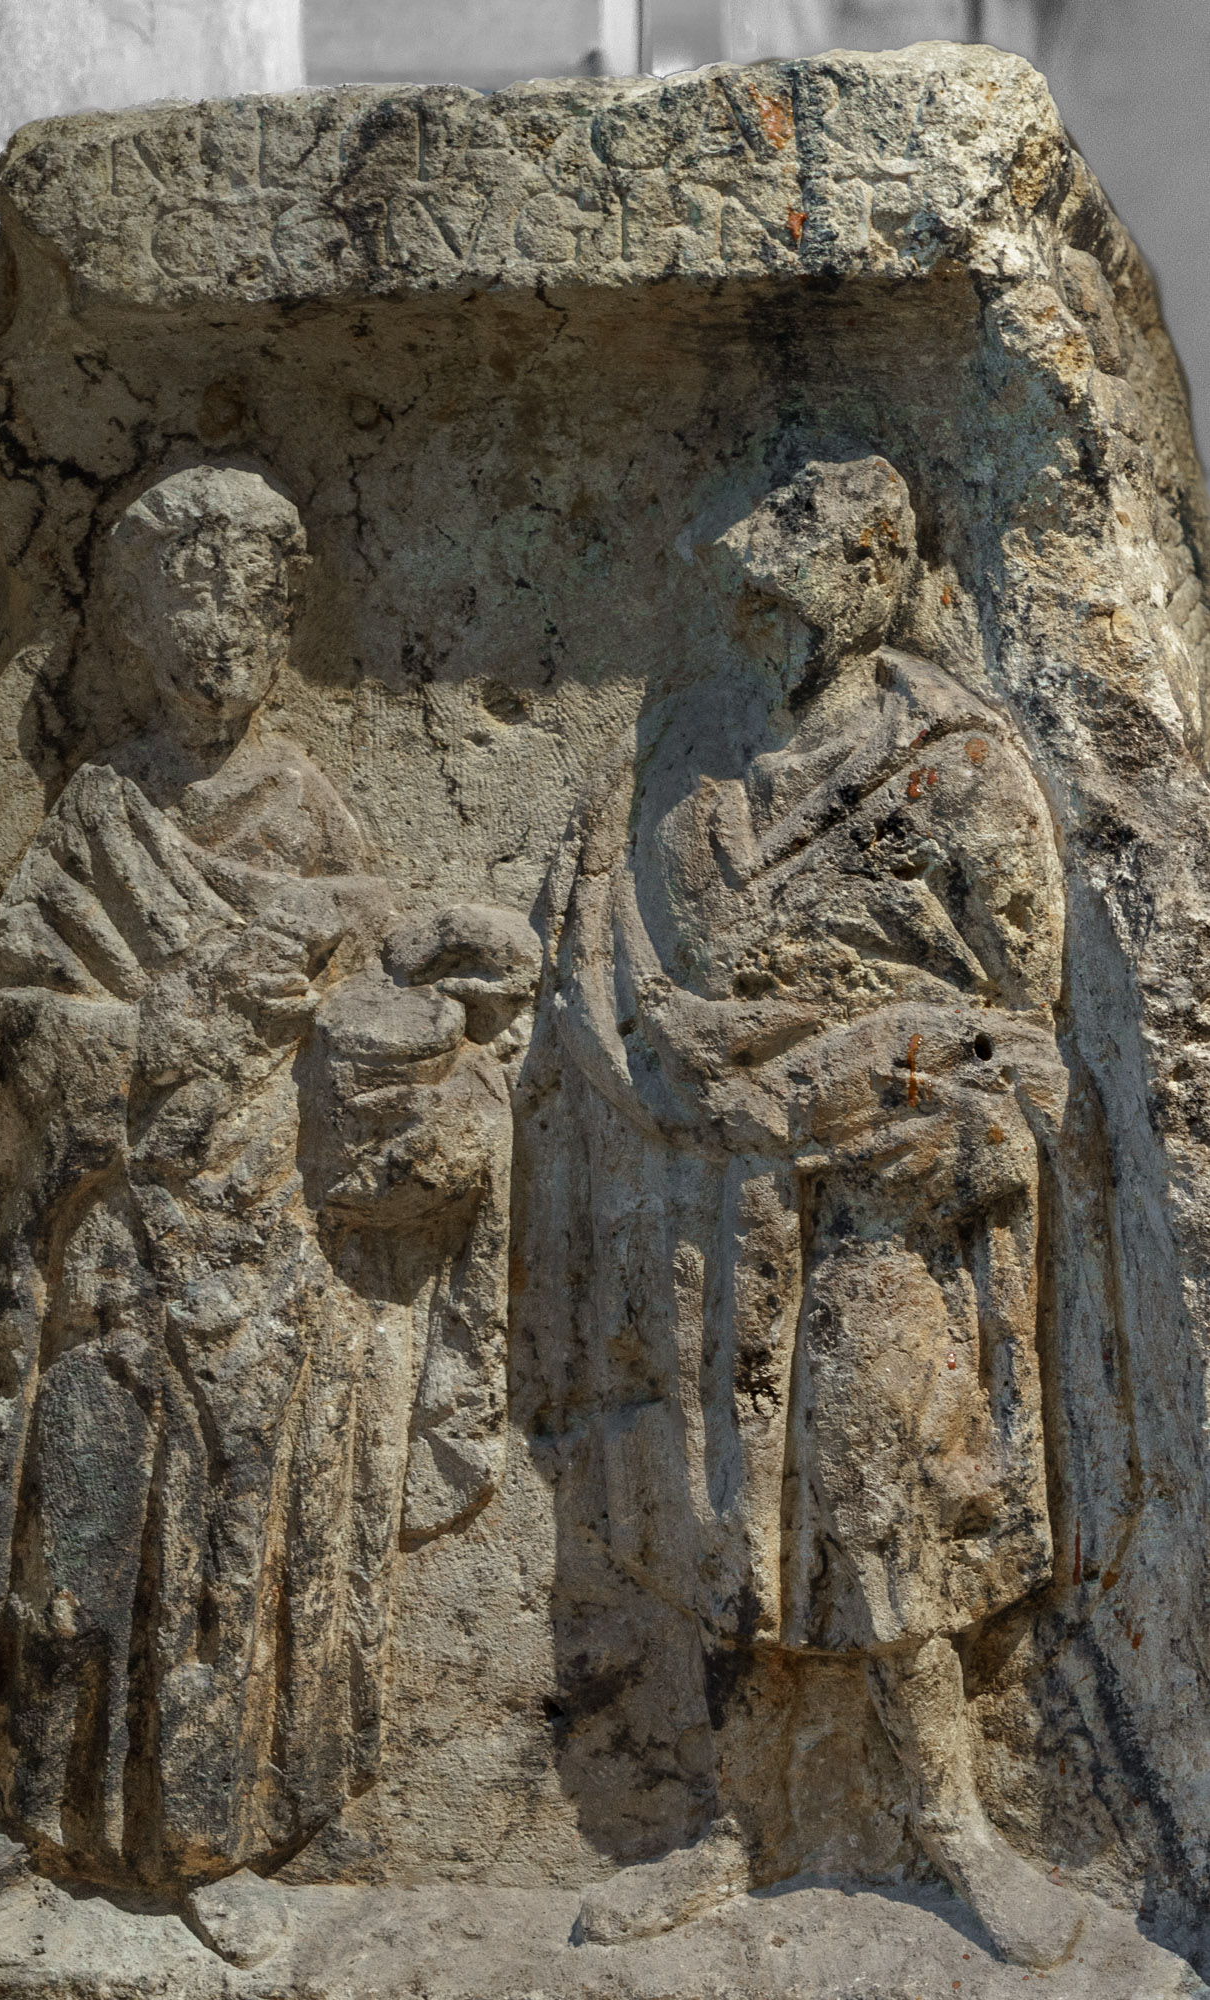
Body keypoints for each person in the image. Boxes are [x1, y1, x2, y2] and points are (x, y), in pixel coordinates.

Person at [543, 457, 1082, 1967]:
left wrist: (859, 1078)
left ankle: (955, 1823)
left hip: (884, 1208)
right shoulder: (692, 771)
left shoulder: (956, 769)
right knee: (724, 1513)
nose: (760, 608)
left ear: (868, 577)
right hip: (716, 1200)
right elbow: (626, 997)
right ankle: (735, 1823)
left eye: (793, 575)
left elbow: (1025, 1028)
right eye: (751, 590)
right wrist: (705, 1072)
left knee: (876, 1492)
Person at [0, 465, 537, 1884]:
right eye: (186, 608)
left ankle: (211, 1850)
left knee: (233, 1557)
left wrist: (436, 1012)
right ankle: (45, 1832)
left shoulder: (314, 819)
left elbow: (370, 1029)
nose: (217, 641)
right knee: (82, 1536)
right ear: (134, 629)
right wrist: (157, 1025)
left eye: (249, 609)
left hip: (271, 1248)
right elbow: (20, 1024)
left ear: (284, 628)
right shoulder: (97, 816)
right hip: (119, 1234)